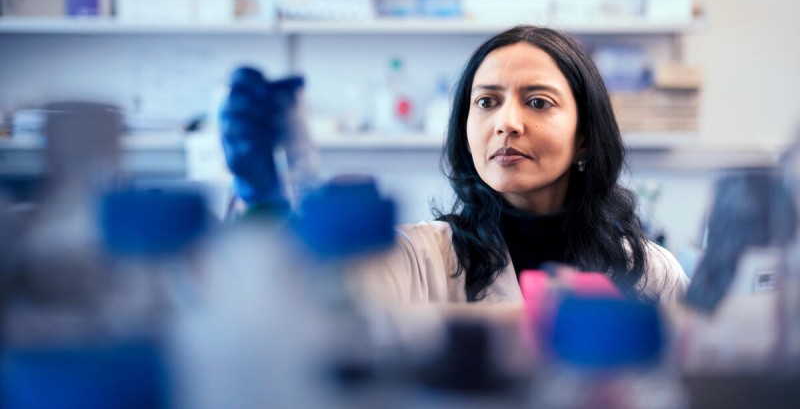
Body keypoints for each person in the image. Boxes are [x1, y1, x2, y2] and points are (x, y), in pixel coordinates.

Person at [219, 25, 689, 306]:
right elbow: (309, 304)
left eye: (538, 102)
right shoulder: (418, 257)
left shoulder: (651, 272)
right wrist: (265, 205)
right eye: (486, 101)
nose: (506, 123)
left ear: (584, 136)